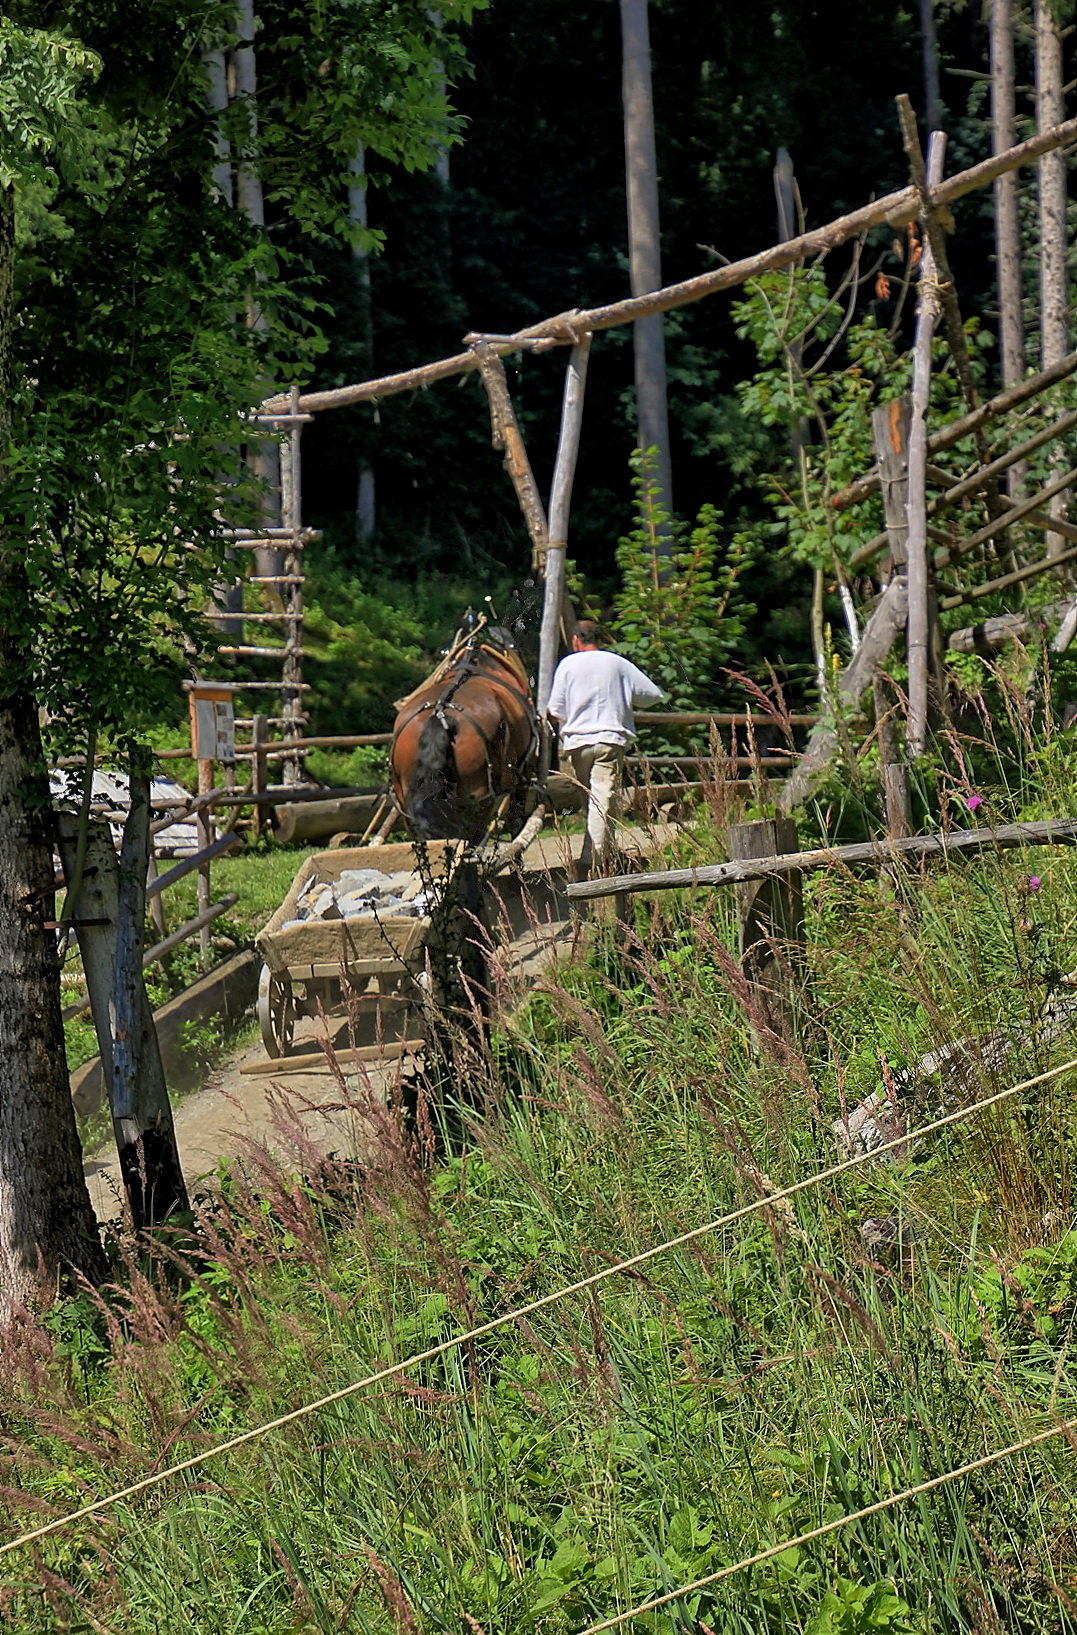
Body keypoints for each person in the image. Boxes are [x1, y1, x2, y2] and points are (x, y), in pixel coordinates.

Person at [546, 621, 664, 877]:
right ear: (597, 639)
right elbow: (652, 694)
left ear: (576, 640)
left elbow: (556, 709)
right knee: (602, 797)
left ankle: (597, 854)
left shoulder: (567, 664)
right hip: (610, 739)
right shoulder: (617, 663)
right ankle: (595, 860)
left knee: (591, 798)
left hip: (577, 743)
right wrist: (623, 697)